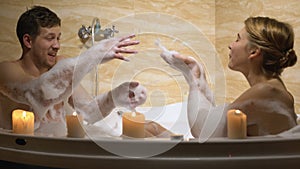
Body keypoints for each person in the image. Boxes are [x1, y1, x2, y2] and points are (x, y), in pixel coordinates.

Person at [0, 5, 169, 137]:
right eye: (50, 38)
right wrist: (91, 57)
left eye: (58, 38)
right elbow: (37, 94)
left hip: (62, 146)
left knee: (149, 127)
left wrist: (115, 97)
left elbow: (89, 112)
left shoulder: (61, 64)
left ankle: (187, 148)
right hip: (29, 153)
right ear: (28, 41)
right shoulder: (8, 70)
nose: (57, 45)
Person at [160, 16, 298, 138]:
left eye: (238, 39)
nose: (230, 45)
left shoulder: (267, 92)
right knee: (152, 128)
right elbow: (212, 123)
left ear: (254, 51)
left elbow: (204, 131)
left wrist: (193, 75)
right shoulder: (273, 90)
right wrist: (197, 77)